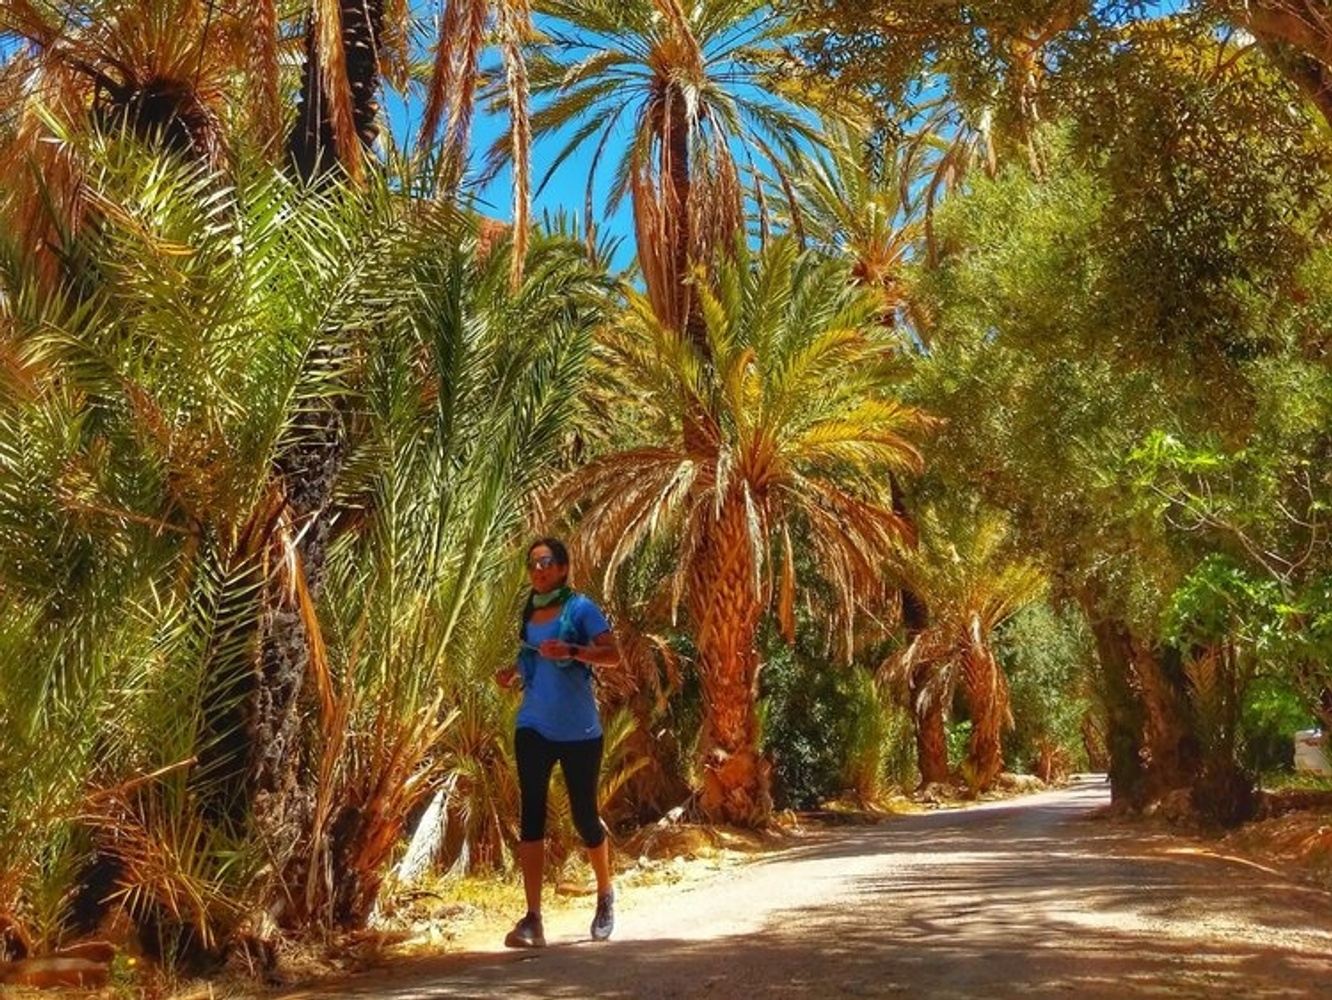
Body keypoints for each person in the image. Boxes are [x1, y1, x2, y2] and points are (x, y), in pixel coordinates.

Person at [494, 538, 621, 948]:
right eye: (532, 564)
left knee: (585, 817)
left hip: (579, 729)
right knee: (531, 814)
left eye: (546, 562)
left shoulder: (580, 608)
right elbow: (530, 656)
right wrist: (512, 673)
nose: (538, 569)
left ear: (563, 568)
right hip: (533, 723)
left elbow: (612, 655)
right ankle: (533, 919)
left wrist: (573, 650)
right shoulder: (529, 610)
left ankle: (605, 893)